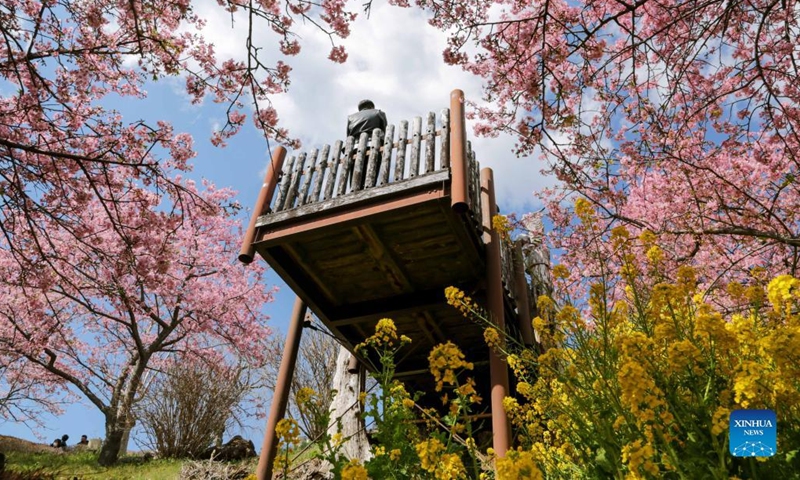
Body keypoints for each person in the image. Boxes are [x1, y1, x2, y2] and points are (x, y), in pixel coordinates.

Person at [346, 99, 388, 189]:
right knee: (371, 171)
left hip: (354, 148)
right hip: (373, 144)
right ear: (371, 106)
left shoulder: (350, 117)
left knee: (355, 175)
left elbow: (349, 135)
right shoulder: (378, 113)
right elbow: (384, 131)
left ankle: (354, 190)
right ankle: (368, 188)